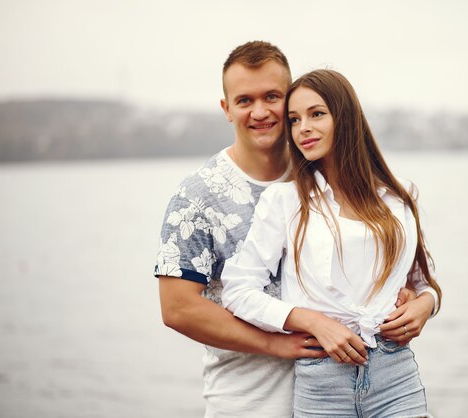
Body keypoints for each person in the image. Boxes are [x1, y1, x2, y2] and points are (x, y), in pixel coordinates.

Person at [155, 42, 433, 417]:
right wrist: (279, 342)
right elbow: (178, 309)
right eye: (244, 100)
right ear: (226, 109)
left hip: (365, 379)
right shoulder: (197, 196)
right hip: (251, 399)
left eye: (272, 97)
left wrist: (420, 302)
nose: (260, 111)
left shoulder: (327, 174)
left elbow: (407, 278)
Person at [221, 69, 442, 417]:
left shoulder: (400, 195)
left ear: (346, 117)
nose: (303, 128)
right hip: (323, 381)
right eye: (294, 120)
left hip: (396, 375)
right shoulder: (285, 201)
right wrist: (311, 321)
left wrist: (426, 305)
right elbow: (237, 289)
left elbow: (421, 280)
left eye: (317, 114)